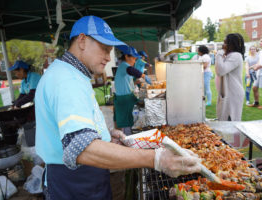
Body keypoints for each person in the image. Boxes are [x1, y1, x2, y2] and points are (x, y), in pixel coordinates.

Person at [35, 16, 201, 200]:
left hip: (84, 178)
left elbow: (72, 129)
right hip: (74, 183)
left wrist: (103, 135)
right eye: (104, 49)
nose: (108, 57)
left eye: (110, 50)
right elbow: (82, 149)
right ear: (82, 41)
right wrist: (155, 159)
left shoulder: (69, 74)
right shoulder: (67, 80)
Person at [114, 46, 151, 135]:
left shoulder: (124, 67)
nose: (134, 61)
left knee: (130, 120)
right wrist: (143, 76)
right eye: (134, 58)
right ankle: (127, 137)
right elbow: (132, 70)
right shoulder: (124, 65)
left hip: (127, 96)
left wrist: (135, 82)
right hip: (124, 99)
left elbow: (126, 81)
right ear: (127, 56)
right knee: (126, 122)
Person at [215, 33, 245, 121]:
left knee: (229, 121)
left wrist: (219, 54)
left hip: (232, 93)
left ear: (232, 44)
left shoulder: (236, 56)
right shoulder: (231, 55)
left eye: (225, 43)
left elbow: (220, 70)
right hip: (228, 92)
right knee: (223, 118)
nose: (223, 45)